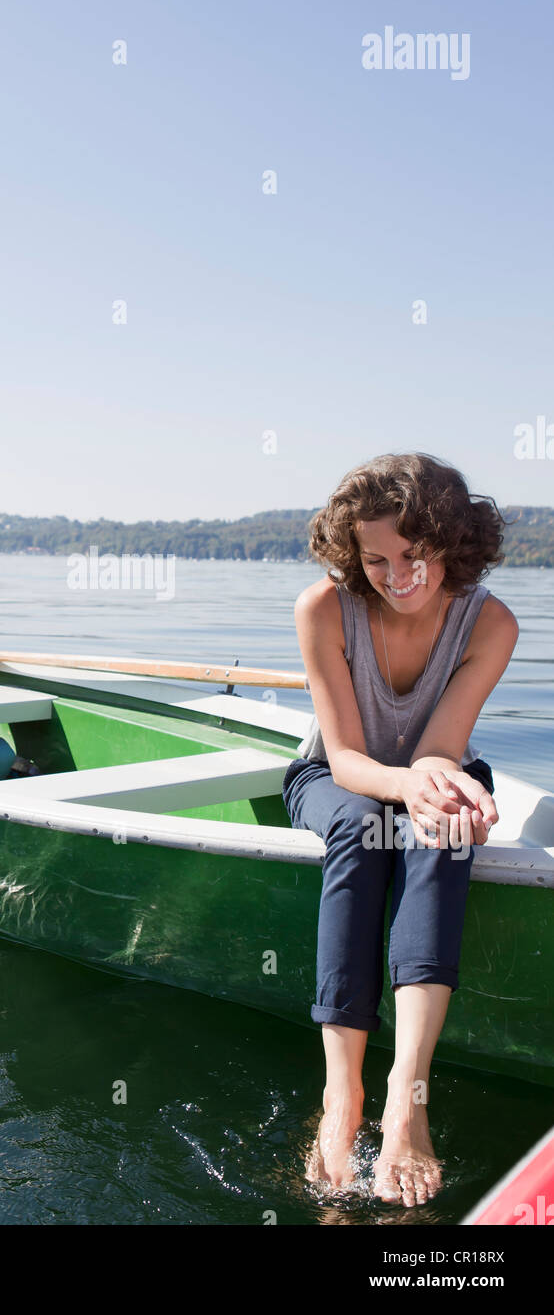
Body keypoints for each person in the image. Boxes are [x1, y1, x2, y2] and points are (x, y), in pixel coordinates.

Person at [282, 452, 519, 1208]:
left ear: (453, 541)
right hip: (337, 780)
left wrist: (441, 792)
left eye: (414, 554)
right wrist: (406, 785)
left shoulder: (491, 623)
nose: (397, 574)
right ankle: (339, 1095)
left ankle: (406, 1096)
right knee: (360, 826)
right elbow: (348, 758)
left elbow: (440, 749)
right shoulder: (321, 609)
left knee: (440, 830)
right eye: (376, 558)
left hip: (435, 766)